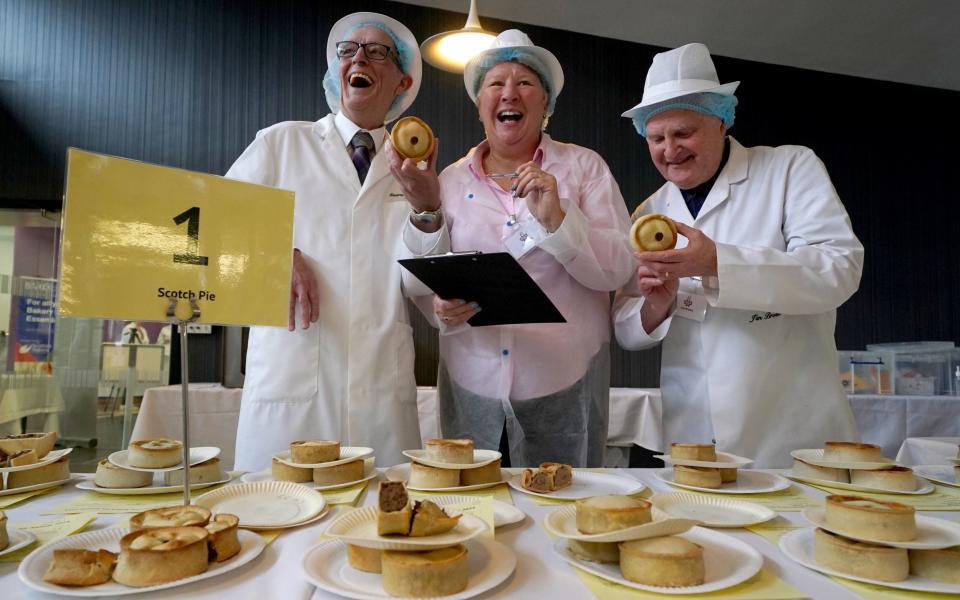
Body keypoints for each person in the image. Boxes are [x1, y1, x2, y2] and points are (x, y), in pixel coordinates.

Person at [613, 43, 864, 468]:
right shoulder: (649, 212)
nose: (669, 150)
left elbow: (839, 270)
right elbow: (625, 328)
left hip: (788, 431)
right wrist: (656, 307)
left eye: (683, 133)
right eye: (656, 138)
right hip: (693, 435)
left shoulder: (789, 169)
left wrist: (715, 262)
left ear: (722, 121)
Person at [391, 30, 635, 467]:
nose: (509, 93)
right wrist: (438, 310)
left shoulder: (584, 169)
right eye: (495, 83)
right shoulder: (447, 180)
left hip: (564, 383)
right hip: (473, 385)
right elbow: (420, 280)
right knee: (477, 514)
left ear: (546, 105)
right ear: (481, 104)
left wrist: (558, 219)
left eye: (525, 83)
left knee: (560, 512)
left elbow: (617, 270)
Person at [225, 12, 432, 471]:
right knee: (279, 519)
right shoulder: (282, 144)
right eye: (348, 50)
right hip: (293, 379)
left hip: (379, 388)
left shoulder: (414, 172)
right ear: (336, 71)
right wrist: (278, 252)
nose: (359, 57)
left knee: (381, 527)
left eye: (378, 52)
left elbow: (422, 285)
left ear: (402, 82)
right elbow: (216, 225)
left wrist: (427, 209)